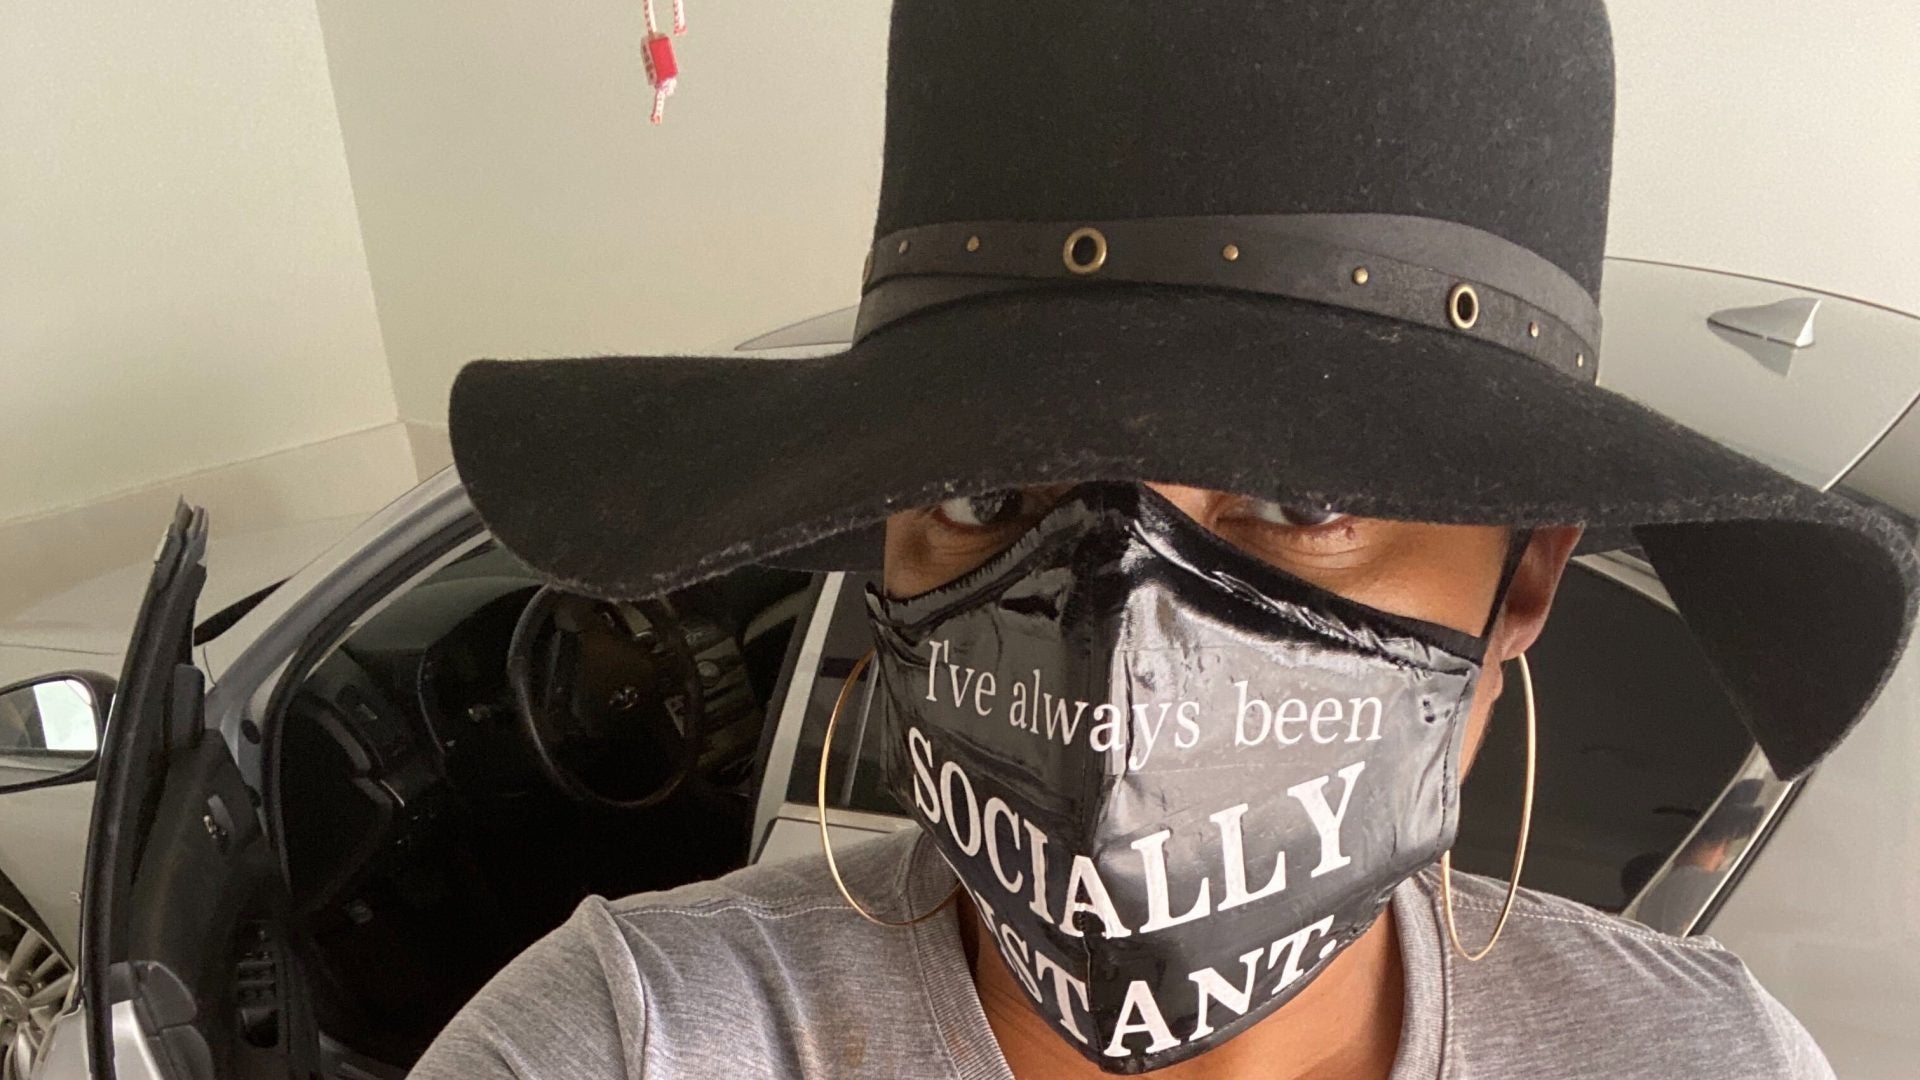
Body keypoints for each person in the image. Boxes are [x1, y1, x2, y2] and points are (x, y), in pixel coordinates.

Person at [415, 2, 1916, 1076]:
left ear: (1523, 575)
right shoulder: (631, 1041)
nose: (1118, 668)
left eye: (1303, 504)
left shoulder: (1700, 1060)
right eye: (986, 500)